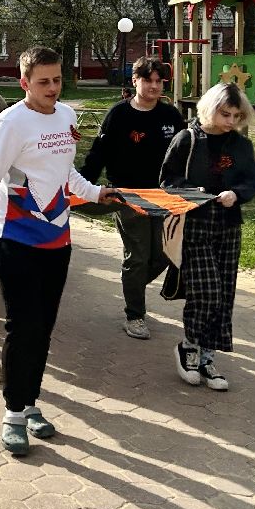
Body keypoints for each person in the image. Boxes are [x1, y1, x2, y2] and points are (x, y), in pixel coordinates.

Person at [0, 46, 125, 455]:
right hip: (13, 239)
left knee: (44, 325)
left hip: (58, 239)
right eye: (43, 82)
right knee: (22, 324)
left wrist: (95, 192)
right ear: (23, 84)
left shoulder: (66, 116)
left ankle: (30, 401)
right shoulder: (8, 125)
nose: (52, 88)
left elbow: (65, 172)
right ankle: (13, 413)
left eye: (56, 80)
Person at [159, 81, 255, 393]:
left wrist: (237, 194)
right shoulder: (187, 139)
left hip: (228, 225)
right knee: (207, 291)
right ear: (210, 109)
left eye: (236, 116)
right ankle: (188, 348)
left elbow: (251, 182)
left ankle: (207, 356)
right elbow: (166, 181)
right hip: (194, 223)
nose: (231, 121)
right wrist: (192, 192)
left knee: (224, 293)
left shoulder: (241, 145)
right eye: (225, 114)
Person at [81, 57, 186, 340]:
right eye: (148, 80)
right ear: (135, 81)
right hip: (127, 197)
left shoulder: (171, 116)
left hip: (164, 198)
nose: (153, 86)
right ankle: (135, 315)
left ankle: (133, 285)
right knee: (138, 256)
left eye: (158, 81)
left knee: (165, 254)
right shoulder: (118, 115)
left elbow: (186, 155)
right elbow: (97, 154)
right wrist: (82, 187)